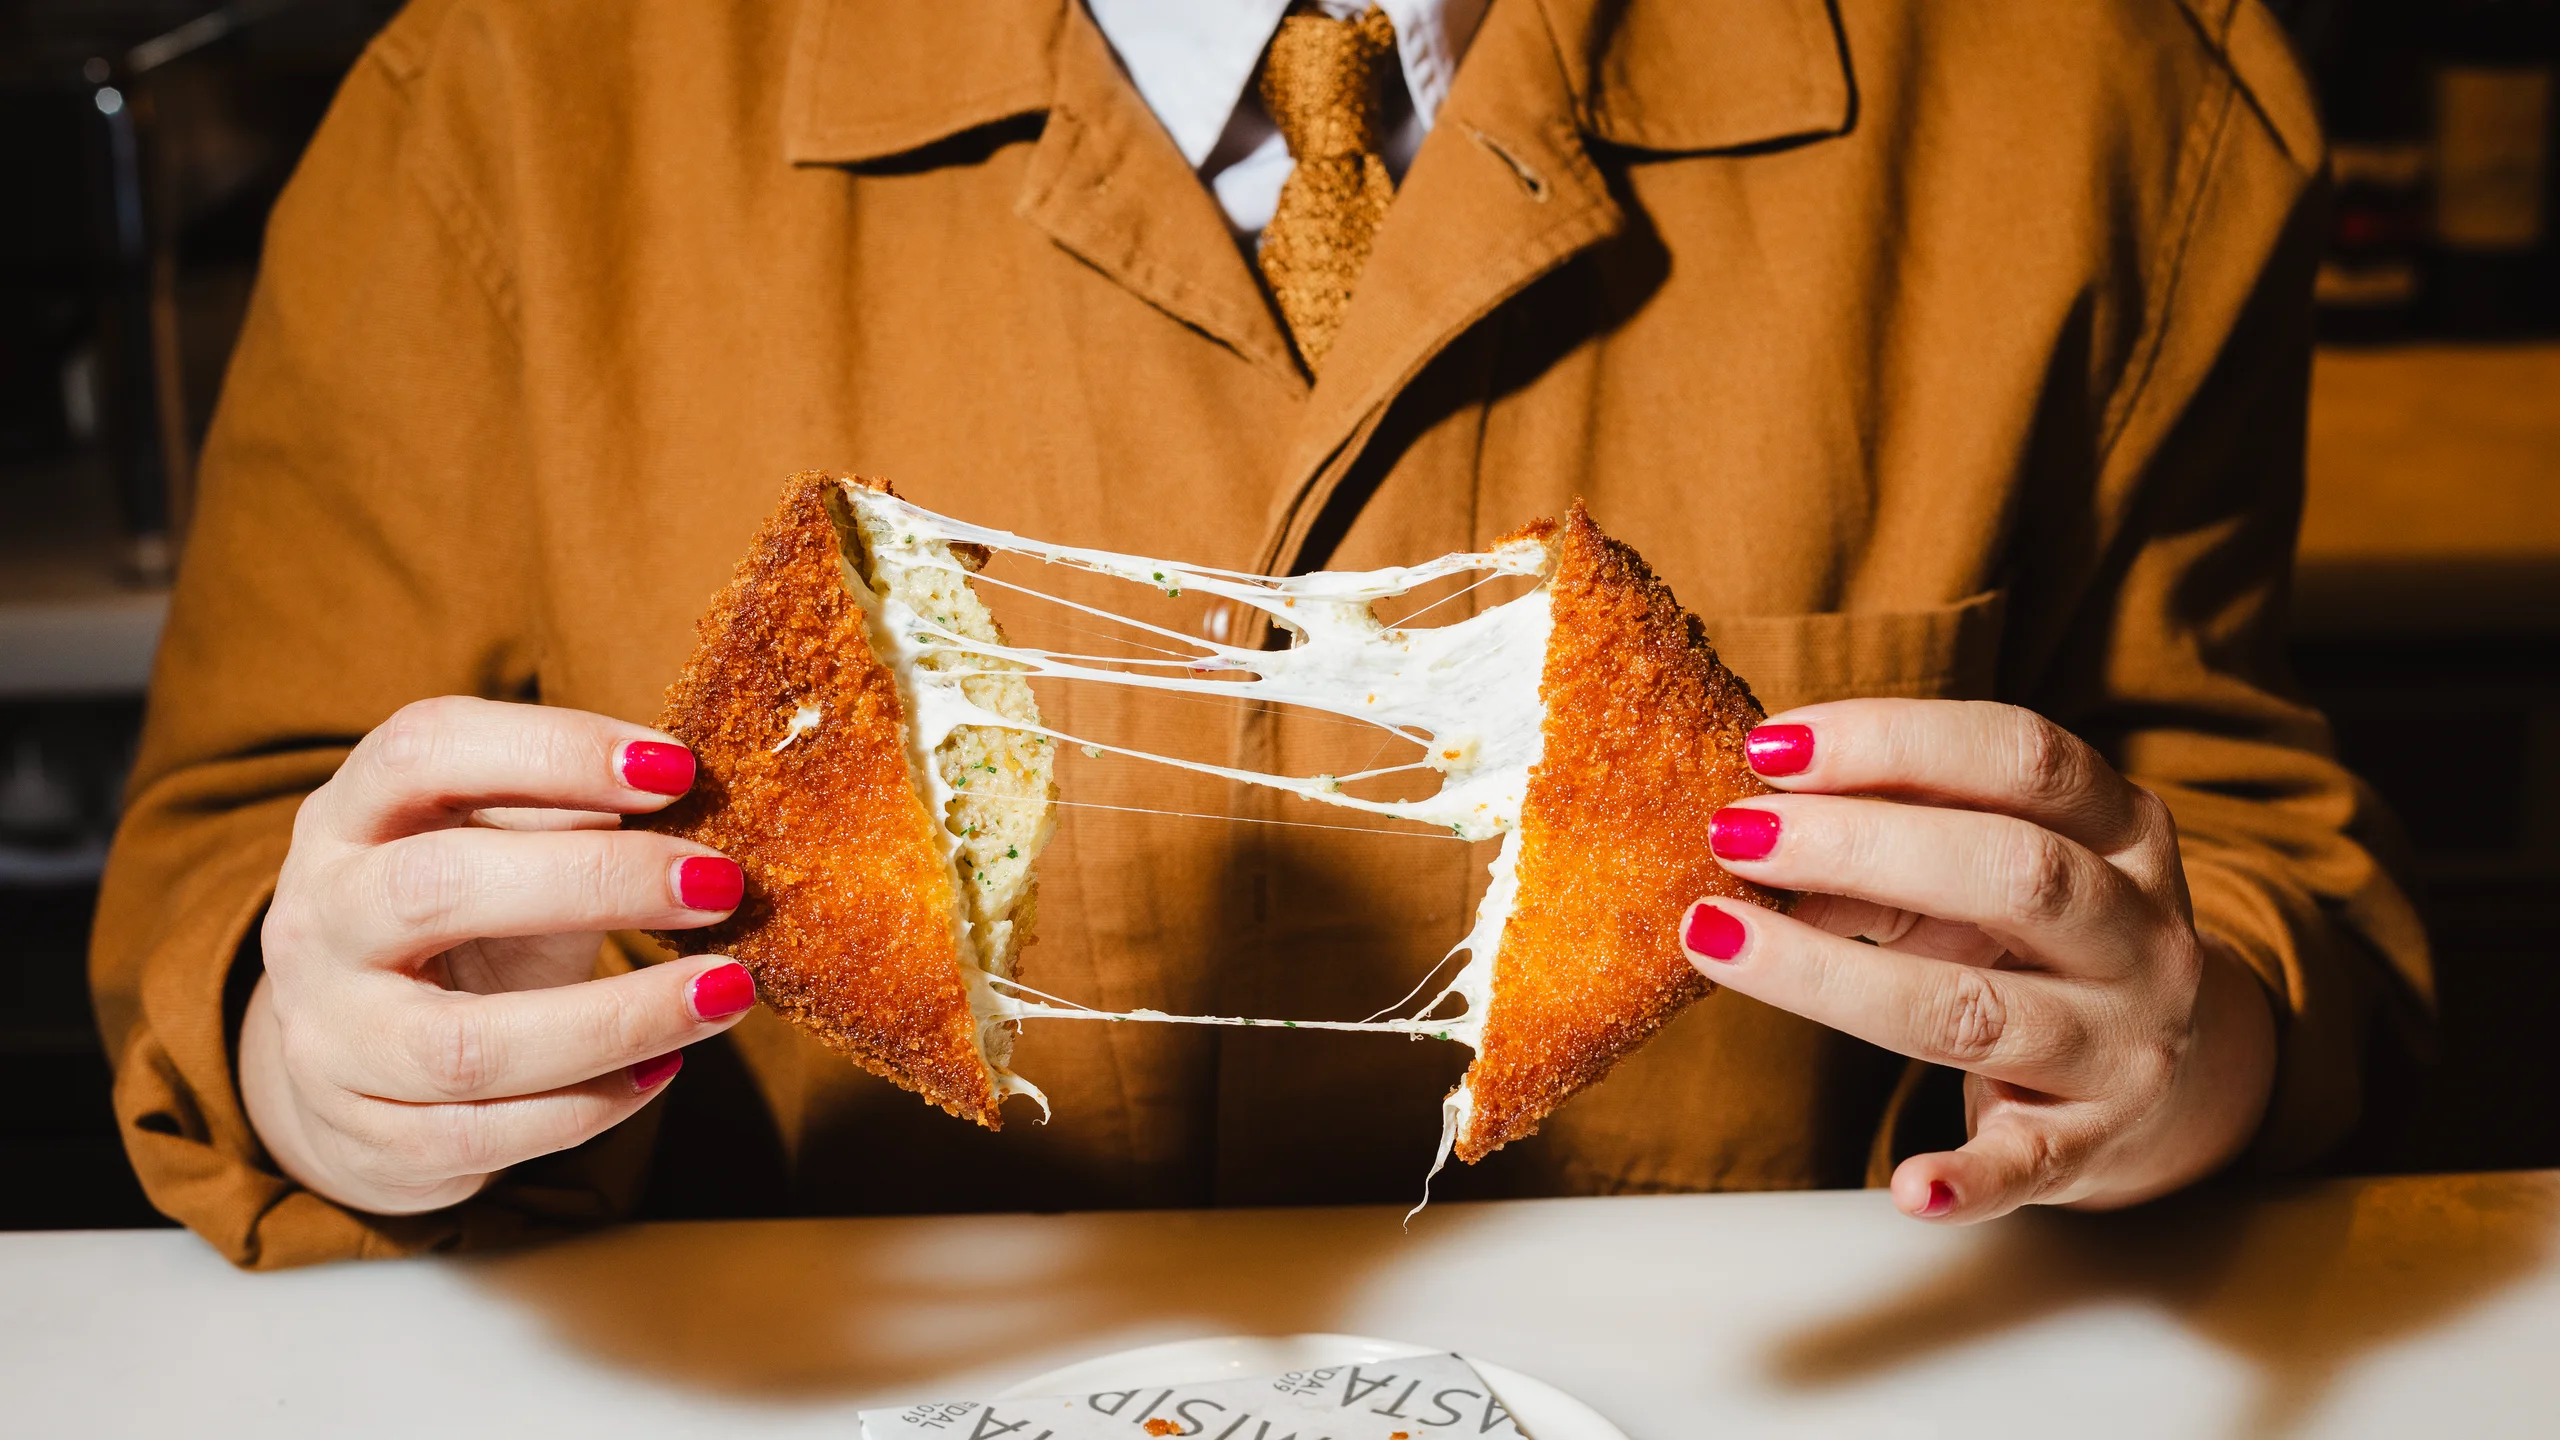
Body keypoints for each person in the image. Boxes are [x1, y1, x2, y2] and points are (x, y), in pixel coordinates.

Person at [94, 0, 2428, 1269]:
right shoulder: (489, 111)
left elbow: (2249, 854)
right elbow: (226, 865)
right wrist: (332, 1064)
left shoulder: (2115, 100)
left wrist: (2182, 1036)